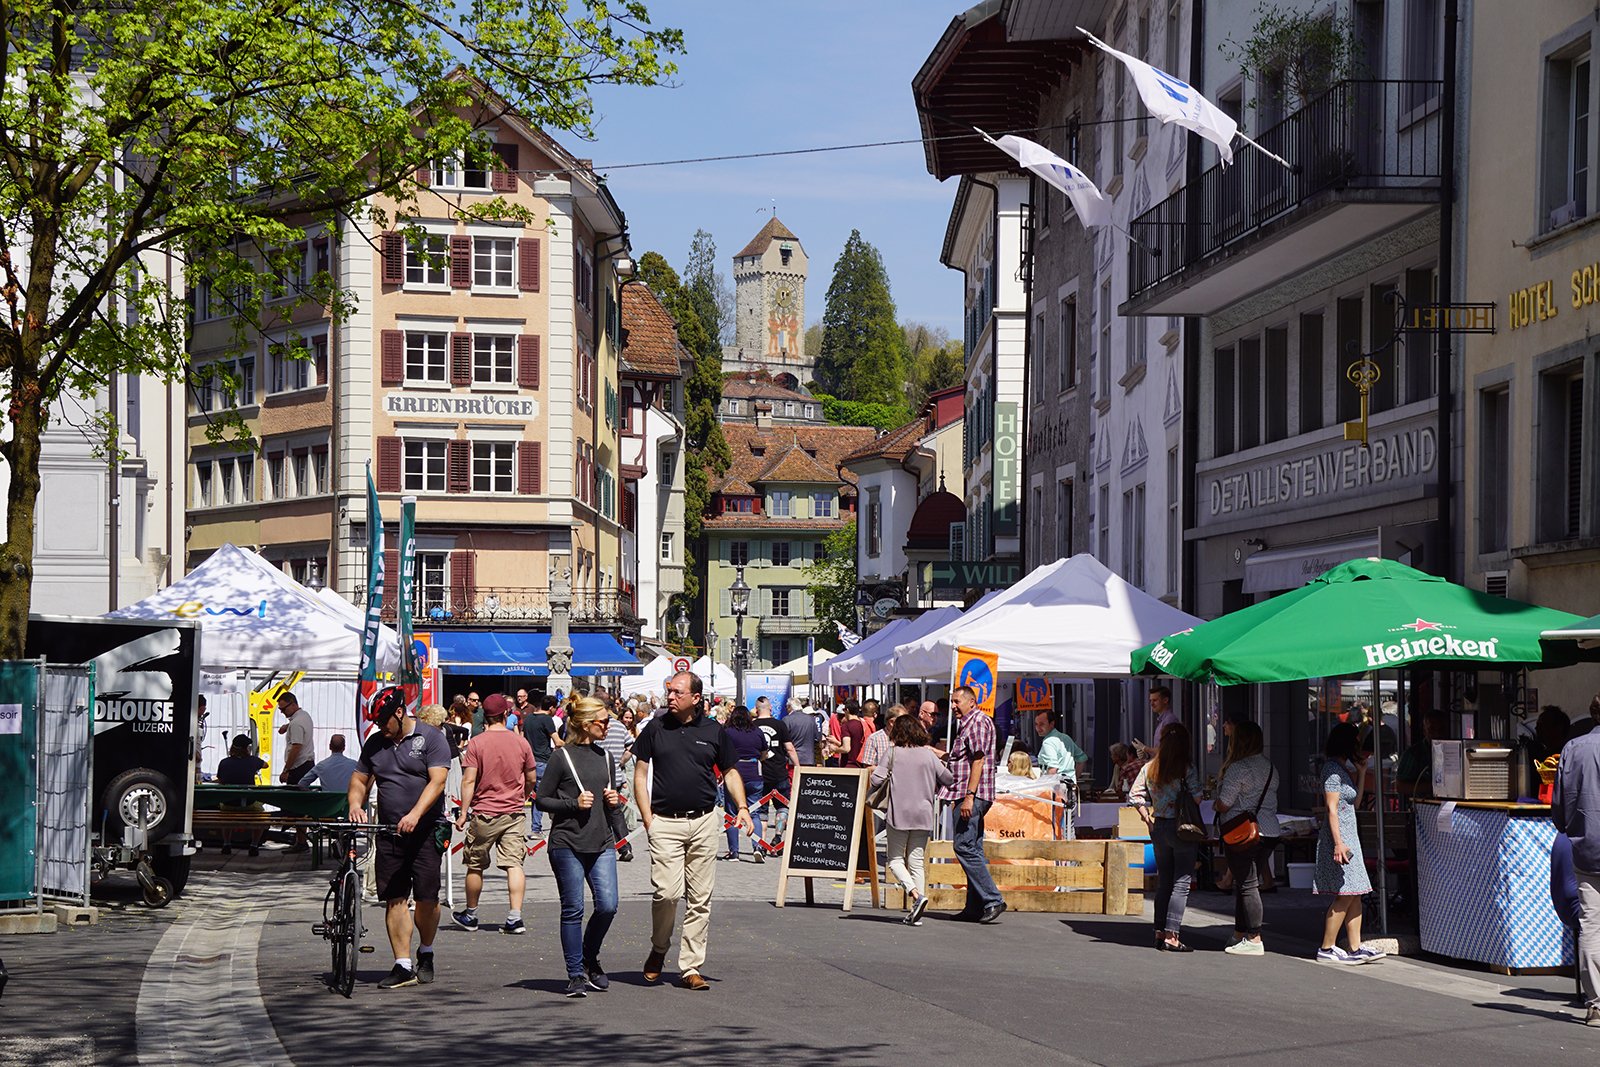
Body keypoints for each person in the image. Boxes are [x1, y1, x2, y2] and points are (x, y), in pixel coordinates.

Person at [633, 671, 751, 990]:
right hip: (665, 823)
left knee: (700, 899)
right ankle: (659, 948)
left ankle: (690, 966)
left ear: (695, 698)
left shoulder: (714, 731)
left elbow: (730, 771)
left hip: (703, 821)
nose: (670, 697)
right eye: (669, 691)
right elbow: (640, 773)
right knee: (667, 893)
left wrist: (741, 807)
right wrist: (648, 818)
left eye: (677, 693)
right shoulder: (655, 728)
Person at [349, 686, 452, 989]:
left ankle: (427, 950)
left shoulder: (431, 738)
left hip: (425, 830)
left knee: (427, 899)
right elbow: (359, 779)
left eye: (383, 721)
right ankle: (402, 963)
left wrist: (416, 814)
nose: (381, 728)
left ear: (398, 713)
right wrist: (356, 803)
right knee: (394, 898)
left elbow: (438, 781)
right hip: (390, 832)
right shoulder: (375, 744)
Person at [536, 695, 624, 998]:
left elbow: (611, 805)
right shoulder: (563, 757)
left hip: (602, 841)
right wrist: (573, 803)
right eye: (604, 722)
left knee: (608, 905)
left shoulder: (607, 757)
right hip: (567, 842)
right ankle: (575, 973)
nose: (608, 726)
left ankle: (589, 956)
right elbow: (542, 798)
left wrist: (622, 836)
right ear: (587, 724)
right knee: (573, 908)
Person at [451, 694, 537, 936]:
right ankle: (515, 917)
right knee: (514, 864)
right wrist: (524, 796)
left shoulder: (477, 743)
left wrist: (463, 812)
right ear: (505, 714)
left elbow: (469, 780)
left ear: (485, 716)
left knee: (475, 865)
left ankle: (471, 913)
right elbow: (531, 778)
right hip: (513, 812)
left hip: (485, 812)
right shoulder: (521, 743)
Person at [1314, 723, 1384, 965]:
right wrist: (1338, 843)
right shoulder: (1333, 771)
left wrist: (1362, 773)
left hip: (1348, 837)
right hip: (1341, 838)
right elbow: (1331, 808)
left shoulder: (1340, 769)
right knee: (1345, 893)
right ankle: (1327, 946)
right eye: (1355, 741)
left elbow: (1355, 803)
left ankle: (1355, 947)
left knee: (1355, 892)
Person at [873, 713, 953, 927]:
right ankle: (916, 913)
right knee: (916, 862)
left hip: (899, 813)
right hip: (924, 813)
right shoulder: (928, 755)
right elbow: (948, 778)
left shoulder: (892, 753)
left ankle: (916, 895)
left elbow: (876, 779)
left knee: (895, 860)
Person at [1132, 723, 1203, 952]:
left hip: (1159, 826)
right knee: (1181, 882)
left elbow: (1134, 796)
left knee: (1164, 881)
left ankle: (1159, 931)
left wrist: (1148, 819)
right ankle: (1172, 935)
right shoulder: (1186, 768)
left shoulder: (1150, 768)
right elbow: (1199, 798)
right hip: (1182, 828)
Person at [1552, 691, 1600, 1026]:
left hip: (1587, 846)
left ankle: (1596, 1002)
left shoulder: (1574, 748)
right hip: (1587, 842)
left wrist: (1572, 826)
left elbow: (1559, 807)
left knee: (1591, 925)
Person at [1213, 720, 1280, 957]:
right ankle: (1241, 933)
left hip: (1243, 833)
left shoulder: (1238, 768)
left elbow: (1225, 803)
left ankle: (1254, 937)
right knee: (1245, 883)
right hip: (1269, 831)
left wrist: (1216, 802)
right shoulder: (1270, 767)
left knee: (1248, 884)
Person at [940, 685, 1004, 923]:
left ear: (971, 702)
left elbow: (978, 760)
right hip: (971, 794)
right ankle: (975, 907)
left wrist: (969, 795)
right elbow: (964, 758)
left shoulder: (976, 722)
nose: (953, 706)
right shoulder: (968, 723)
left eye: (957, 701)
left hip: (972, 795)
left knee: (964, 847)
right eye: (952, 702)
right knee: (973, 848)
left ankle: (993, 899)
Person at [720, 705, 767, 862]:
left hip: (734, 772)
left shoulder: (728, 733)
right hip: (754, 772)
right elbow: (764, 754)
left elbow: (721, 753)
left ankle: (734, 852)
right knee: (754, 813)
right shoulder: (757, 731)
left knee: (732, 814)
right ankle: (758, 847)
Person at [754, 696, 800, 848]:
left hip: (760, 774)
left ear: (756, 710)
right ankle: (778, 836)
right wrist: (798, 766)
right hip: (779, 772)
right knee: (782, 806)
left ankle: (761, 844)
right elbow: (789, 748)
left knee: (761, 810)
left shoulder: (752, 726)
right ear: (770, 708)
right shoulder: (779, 725)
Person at [596, 702, 635, 861]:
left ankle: (601, 847)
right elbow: (631, 746)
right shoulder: (620, 727)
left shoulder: (595, 726)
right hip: (616, 776)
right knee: (616, 814)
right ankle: (624, 848)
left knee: (599, 812)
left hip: (597, 775)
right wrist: (621, 762)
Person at [520, 694, 563, 835]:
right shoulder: (547, 720)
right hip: (543, 761)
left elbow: (521, 738)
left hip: (528, 761)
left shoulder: (529, 718)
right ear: (550, 708)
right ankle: (540, 827)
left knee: (534, 795)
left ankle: (534, 827)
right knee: (546, 795)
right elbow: (557, 741)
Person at [1397, 710, 1448, 799]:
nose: (1437, 734)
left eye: (1441, 729)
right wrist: (1432, 787)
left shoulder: (1455, 750)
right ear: (1424, 731)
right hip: (1424, 803)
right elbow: (1400, 786)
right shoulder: (1413, 754)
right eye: (1432, 729)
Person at [1034, 709, 1087, 783]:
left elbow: (1052, 769)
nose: (1038, 728)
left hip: (1056, 788)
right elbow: (1082, 758)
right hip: (1070, 785)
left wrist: (1045, 788)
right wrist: (1074, 779)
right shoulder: (1066, 738)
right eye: (1036, 724)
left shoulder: (1048, 743)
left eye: (1042, 724)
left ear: (1052, 724)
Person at [276, 692, 314, 786]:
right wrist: (287, 726)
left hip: (298, 766)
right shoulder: (305, 715)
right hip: (307, 763)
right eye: (280, 709)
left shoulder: (296, 723)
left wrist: (286, 770)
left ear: (293, 705)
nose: (282, 712)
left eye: (284, 709)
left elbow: (296, 747)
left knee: (293, 797)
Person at [861, 704, 905, 769]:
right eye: (904, 721)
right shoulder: (874, 739)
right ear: (891, 722)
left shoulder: (908, 738)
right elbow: (868, 766)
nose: (907, 723)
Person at [783, 696, 819, 767]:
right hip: (809, 760)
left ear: (790, 707)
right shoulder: (811, 719)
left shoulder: (786, 720)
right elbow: (817, 738)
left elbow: (783, 741)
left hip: (792, 760)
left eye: (786, 707)